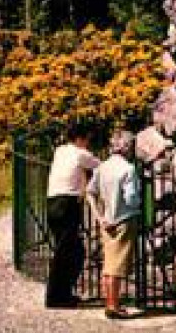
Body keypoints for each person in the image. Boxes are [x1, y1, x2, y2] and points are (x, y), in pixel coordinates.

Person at [88, 131, 143, 320]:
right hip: (124, 219)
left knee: (109, 263)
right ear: (127, 147)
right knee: (117, 265)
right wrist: (139, 202)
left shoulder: (102, 167)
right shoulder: (128, 169)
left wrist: (99, 217)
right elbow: (131, 199)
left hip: (107, 220)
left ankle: (109, 301)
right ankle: (113, 305)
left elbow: (90, 192)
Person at [44, 123, 100, 308]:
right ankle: (55, 297)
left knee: (72, 250)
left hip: (53, 201)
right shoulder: (80, 154)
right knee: (65, 252)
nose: (88, 144)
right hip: (67, 203)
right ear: (80, 139)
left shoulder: (60, 151)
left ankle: (64, 292)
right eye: (87, 140)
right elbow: (101, 165)